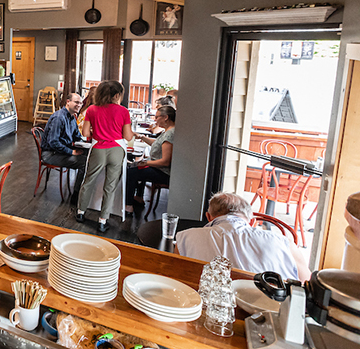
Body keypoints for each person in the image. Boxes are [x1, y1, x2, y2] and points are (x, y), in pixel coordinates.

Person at [175, 192, 309, 281]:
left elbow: (174, 277)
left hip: (204, 312)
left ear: (208, 217)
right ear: (251, 221)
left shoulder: (185, 238)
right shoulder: (283, 242)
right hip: (273, 314)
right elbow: (306, 283)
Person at [76, 81, 135, 232]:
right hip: (116, 150)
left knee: (88, 180)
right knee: (110, 186)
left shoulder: (92, 109)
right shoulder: (123, 111)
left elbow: (85, 133)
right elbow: (128, 137)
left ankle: (80, 213)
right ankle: (103, 220)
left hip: (98, 149)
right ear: (117, 95)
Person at [125, 105, 176, 216]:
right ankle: (138, 197)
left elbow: (165, 161)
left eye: (157, 117)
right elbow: (157, 144)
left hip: (163, 172)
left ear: (166, 117)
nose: (155, 119)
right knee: (136, 166)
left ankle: (128, 206)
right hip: (160, 169)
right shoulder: (168, 131)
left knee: (131, 172)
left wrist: (146, 162)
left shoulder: (170, 134)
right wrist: (142, 137)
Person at [39, 93, 86, 199]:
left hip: (60, 151)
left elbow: (76, 136)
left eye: (81, 103)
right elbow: (53, 142)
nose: (79, 105)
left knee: (88, 155)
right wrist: (71, 152)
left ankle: (82, 192)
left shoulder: (72, 117)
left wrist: (88, 139)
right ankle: (76, 196)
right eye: (76, 102)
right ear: (68, 102)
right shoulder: (59, 118)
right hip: (51, 154)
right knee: (84, 163)